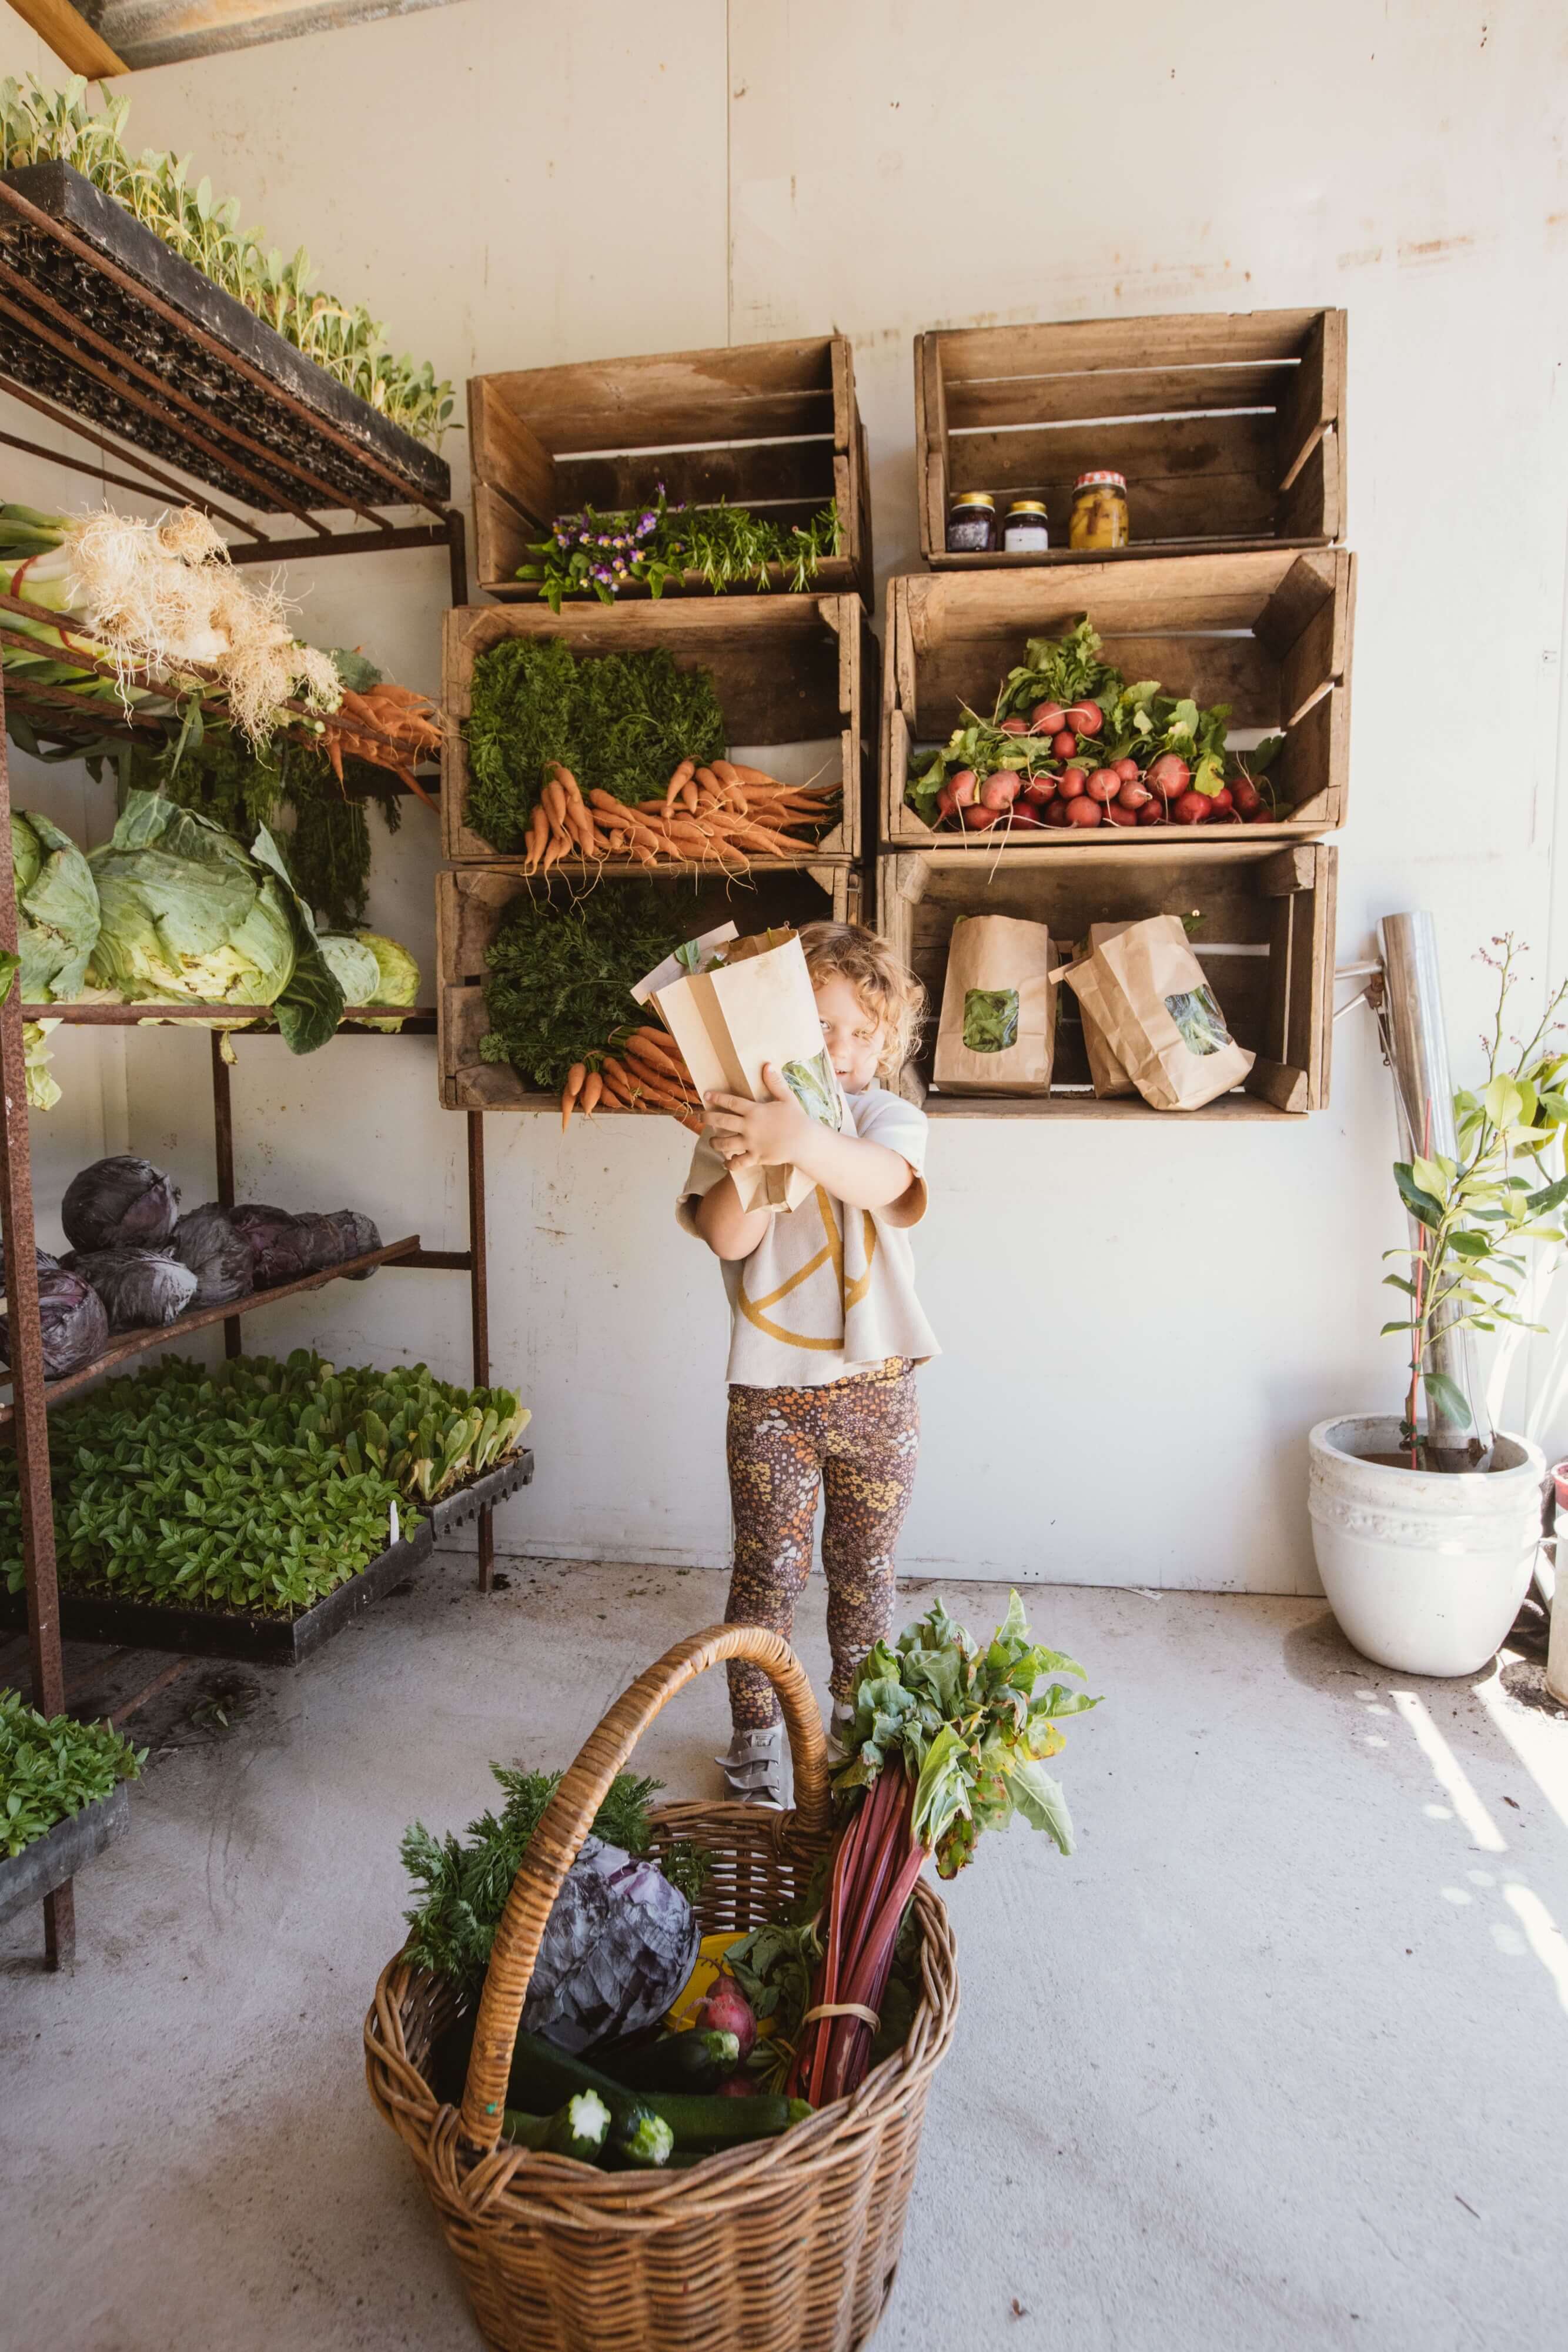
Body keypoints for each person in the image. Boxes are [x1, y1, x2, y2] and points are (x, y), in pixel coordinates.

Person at [677, 920, 939, 1805]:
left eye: (863, 1034)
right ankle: (756, 1741)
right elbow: (724, 1234)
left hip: (877, 1395)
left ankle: (859, 1736)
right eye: (824, 1027)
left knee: (865, 1577)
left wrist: (805, 1141)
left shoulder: (885, 1118)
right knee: (768, 1571)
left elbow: (890, 1187)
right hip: (771, 1401)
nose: (846, 1049)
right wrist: (758, 1148)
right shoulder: (735, 1123)